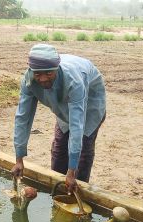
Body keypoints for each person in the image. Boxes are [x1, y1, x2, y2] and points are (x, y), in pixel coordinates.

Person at [11, 44, 106, 193]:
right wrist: (18, 159)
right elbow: (23, 118)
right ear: (31, 70)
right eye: (37, 74)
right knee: (59, 148)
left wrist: (71, 172)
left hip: (90, 106)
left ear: (57, 68)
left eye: (48, 73)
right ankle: (56, 190)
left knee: (83, 151)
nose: (42, 79)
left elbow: (77, 126)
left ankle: (76, 191)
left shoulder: (74, 81)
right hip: (62, 105)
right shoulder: (28, 80)